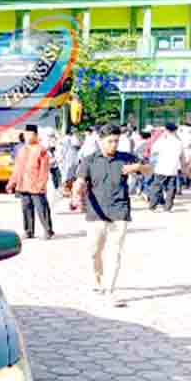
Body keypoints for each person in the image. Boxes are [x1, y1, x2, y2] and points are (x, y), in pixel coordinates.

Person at [73, 123, 150, 308]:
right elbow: (80, 181)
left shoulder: (126, 158)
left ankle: (110, 290)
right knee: (94, 252)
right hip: (96, 212)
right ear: (100, 141)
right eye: (110, 141)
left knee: (115, 252)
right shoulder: (89, 160)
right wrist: (76, 194)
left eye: (116, 141)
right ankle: (97, 280)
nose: (113, 145)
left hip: (119, 210)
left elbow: (150, 169)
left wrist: (137, 167)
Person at [6, 124, 54, 240]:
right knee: (26, 208)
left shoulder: (41, 150)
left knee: (41, 208)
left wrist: (41, 184)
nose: (28, 137)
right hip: (23, 185)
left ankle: (48, 231)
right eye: (26, 134)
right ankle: (28, 231)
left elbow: (44, 170)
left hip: (36, 185)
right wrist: (11, 183)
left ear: (36, 136)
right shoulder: (21, 150)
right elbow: (17, 168)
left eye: (30, 134)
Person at [148, 123, 182, 212]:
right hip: (173, 168)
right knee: (171, 188)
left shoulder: (161, 141)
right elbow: (181, 156)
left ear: (166, 130)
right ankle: (168, 207)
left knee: (157, 187)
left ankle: (153, 206)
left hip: (160, 167)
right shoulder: (179, 142)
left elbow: (153, 151)